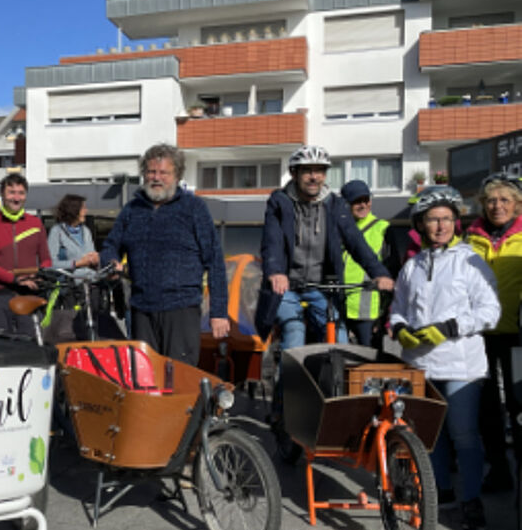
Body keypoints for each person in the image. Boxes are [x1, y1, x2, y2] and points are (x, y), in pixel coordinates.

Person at [390, 186, 499, 530]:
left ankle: (472, 501)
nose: (440, 226)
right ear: (420, 224)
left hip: (461, 364)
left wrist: (451, 327)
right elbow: (398, 307)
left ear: (456, 222)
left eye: (447, 219)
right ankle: (443, 494)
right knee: (429, 434)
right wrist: (400, 328)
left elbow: (490, 311)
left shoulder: (470, 261)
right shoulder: (412, 266)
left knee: (463, 434)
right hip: (420, 363)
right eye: (433, 219)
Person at [100, 143, 229, 365]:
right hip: (141, 310)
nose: (156, 178)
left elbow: (215, 261)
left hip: (181, 309)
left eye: (163, 173)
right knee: (145, 375)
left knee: (179, 377)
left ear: (177, 176)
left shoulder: (194, 208)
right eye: (151, 172)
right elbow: (110, 245)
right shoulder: (131, 210)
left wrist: (218, 312)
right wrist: (110, 261)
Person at [257, 146, 394, 351]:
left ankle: (330, 373)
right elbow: (272, 241)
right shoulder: (280, 202)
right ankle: (289, 373)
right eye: (307, 171)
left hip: (321, 288)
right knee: (294, 330)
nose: (314, 177)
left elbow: (356, 243)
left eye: (320, 170)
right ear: (294, 173)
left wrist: (379, 273)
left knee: (339, 339)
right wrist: (276, 271)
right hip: (287, 287)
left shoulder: (335, 205)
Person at [464, 172, 522, 493]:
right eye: (491, 200)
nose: (497, 205)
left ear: (517, 204)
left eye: (504, 200)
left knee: (518, 404)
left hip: (517, 333)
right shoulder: (470, 237)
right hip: (480, 334)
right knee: (486, 407)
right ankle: (499, 470)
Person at [0, 174, 51, 338]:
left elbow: (46, 259)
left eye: (21, 193)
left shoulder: (36, 223)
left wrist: (40, 276)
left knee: (30, 346)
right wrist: (15, 279)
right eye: (11, 192)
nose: (16, 198)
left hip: (29, 295)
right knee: (0, 348)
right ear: (2, 195)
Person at [339, 179, 399, 348]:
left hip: (370, 311)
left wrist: (386, 313)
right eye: (357, 201)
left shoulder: (383, 228)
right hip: (340, 307)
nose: (363, 205)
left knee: (370, 358)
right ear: (346, 204)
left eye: (366, 200)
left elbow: (393, 271)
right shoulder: (337, 229)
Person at [46, 194, 101, 341]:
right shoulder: (57, 232)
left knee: (94, 325)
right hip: (71, 288)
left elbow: (90, 255)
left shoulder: (86, 231)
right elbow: (50, 264)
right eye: (83, 208)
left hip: (90, 284)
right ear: (73, 210)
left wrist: (96, 259)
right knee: (72, 330)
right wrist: (76, 264)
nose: (86, 211)